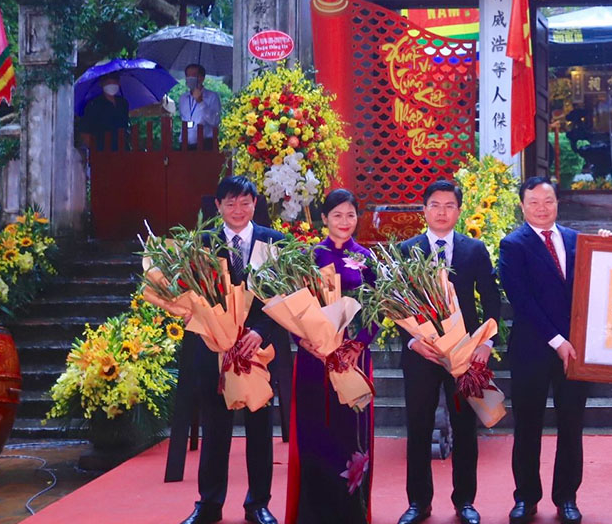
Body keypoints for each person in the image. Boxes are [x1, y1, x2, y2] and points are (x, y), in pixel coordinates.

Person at [500, 177, 608, 524]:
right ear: (522, 205)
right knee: (527, 426)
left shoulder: (578, 240)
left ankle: (567, 498)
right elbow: (522, 300)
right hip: (533, 349)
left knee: (571, 425)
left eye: (548, 201)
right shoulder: (512, 245)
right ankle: (526, 498)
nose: (541, 208)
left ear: (558, 202)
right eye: (533, 202)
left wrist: (607, 251)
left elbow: (599, 280)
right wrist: (557, 341)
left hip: (576, 350)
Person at [180, 175, 286, 524]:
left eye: (244, 202)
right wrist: (219, 337)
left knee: (259, 428)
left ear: (255, 204)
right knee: (215, 429)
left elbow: (283, 297)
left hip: (260, 352)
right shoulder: (203, 244)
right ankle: (209, 504)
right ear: (218, 206)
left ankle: (258, 503)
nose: (237, 210)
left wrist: (260, 331)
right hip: (214, 351)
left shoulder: (274, 243)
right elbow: (191, 299)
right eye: (230, 203)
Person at [396, 180, 502, 524]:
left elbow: (491, 302)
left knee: (465, 427)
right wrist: (412, 342)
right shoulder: (406, 249)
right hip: (422, 355)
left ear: (459, 210)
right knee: (418, 427)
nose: (442, 212)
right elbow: (395, 306)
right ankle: (418, 503)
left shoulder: (474, 249)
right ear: (424, 209)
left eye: (449, 206)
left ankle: (465, 502)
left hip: (464, 356)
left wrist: (486, 344)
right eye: (435, 205)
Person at [286, 188, 378, 524]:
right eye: (337, 215)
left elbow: (376, 309)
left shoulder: (366, 259)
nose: (344, 221)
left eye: (350, 215)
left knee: (351, 431)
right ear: (324, 218)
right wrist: (303, 339)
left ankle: (351, 511)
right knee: (315, 430)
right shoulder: (308, 257)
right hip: (314, 359)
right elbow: (291, 306)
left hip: (353, 359)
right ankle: (314, 512)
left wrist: (359, 344)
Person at [78, 72, 130, 149]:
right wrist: (94, 151)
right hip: (102, 150)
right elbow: (85, 132)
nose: (112, 85)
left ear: (119, 83)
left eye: (114, 82)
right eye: (108, 82)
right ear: (101, 84)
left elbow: (124, 126)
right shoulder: (94, 104)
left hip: (123, 149)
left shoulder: (123, 103)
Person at [180, 63, 222, 146]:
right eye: (188, 76)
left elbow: (215, 121)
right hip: (185, 143)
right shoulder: (183, 98)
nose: (190, 78)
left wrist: (201, 102)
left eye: (194, 75)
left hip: (205, 143)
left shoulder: (212, 97)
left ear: (202, 78)